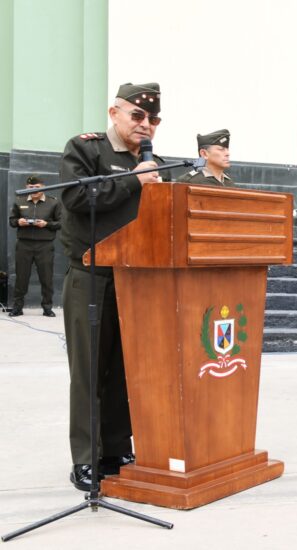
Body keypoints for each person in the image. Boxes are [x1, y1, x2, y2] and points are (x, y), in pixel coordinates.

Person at [59, 82, 171, 491]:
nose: (146, 124)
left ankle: (117, 449)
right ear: (114, 113)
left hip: (137, 279)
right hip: (91, 276)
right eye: (137, 115)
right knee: (89, 372)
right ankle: (86, 459)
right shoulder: (86, 149)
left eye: (153, 119)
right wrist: (133, 181)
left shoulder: (156, 163)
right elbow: (75, 199)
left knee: (126, 370)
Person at [7, 175, 62, 317]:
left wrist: (46, 224)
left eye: (37, 187)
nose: (34, 190)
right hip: (24, 245)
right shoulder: (19, 201)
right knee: (21, 277)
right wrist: (19, 222)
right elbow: (12, 221)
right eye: (31, 187)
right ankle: (17, 307)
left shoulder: (53, 202)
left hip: (45, 245)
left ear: (43, 187)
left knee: (46, 277)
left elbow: (61, 223)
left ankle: (47, 308)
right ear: (26, 187)